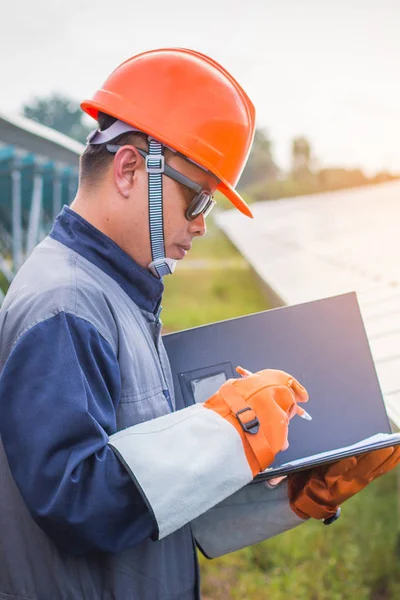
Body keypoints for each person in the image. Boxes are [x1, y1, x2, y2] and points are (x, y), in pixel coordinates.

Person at [0, 48, 398, 600]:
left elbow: (153, 501)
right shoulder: (65, 303)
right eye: (197, 200)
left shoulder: (120, 294)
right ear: (131, 170)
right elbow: (78, 504)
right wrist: (228, 432)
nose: (202, 225)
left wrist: (298, 492)